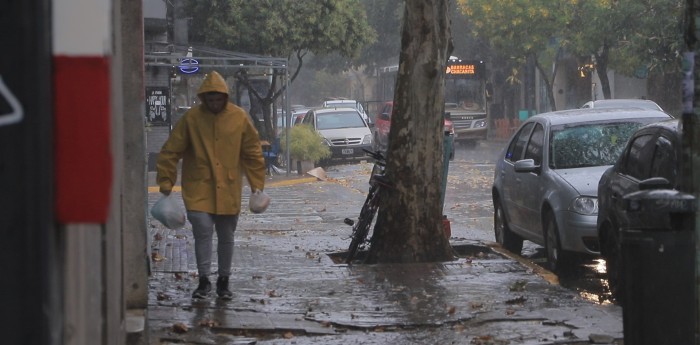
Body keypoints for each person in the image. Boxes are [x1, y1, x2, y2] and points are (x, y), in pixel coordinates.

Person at [156, 71, 266, 299]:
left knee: (226, 235)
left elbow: (252, 153)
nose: (214, 104)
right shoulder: (192, 119)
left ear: (225, 97)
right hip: (198, 188)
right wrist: (166, 182)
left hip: (229, 188)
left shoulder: (239, 118)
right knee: (203, 232)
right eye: (210, 99)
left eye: (218, 99)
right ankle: (204, 279)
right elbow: (170, 151)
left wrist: (257, 185)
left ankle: (223, 280)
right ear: (204, 98)